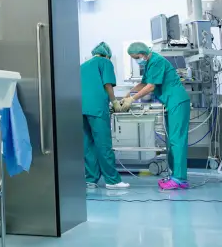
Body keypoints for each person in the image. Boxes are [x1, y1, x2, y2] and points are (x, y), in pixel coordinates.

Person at [121, 42, 192, 190]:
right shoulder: (149, 63)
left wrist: (132, 99)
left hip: (177, 101)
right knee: (171, 141)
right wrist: (127, 95)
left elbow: (151, 86)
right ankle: (175, 176)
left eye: (136, 57)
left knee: (177, 140)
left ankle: (180, 178)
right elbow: (143, 83)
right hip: (171, 102)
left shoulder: (157, 61)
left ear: (142, 53)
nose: (136, 60)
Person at [80, 42, 130, 190]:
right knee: (103, 144)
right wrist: (115, 102)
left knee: (88, 145)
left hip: (81, 108)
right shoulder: (105, 62)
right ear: (107, 54)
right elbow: (107, 85)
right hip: (97, 109)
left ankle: (90, 179)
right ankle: (112, 180)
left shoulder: (83, 66)